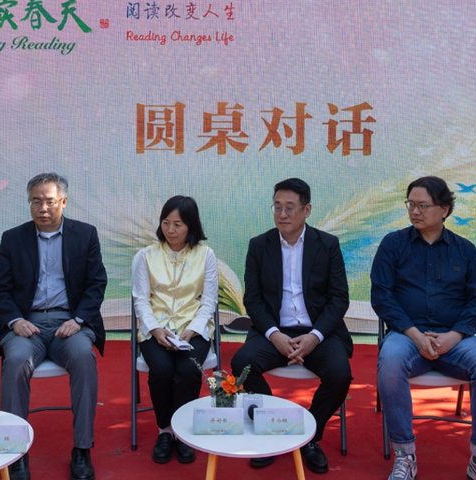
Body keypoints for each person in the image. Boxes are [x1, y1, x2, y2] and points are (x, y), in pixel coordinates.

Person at [372, 176, 476, 480]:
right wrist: (414, 334)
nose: (415, 211)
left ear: (444, 209)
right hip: (407, 336)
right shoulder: (393, 245)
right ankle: (405, 455)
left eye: (423, 205)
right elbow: (382, 295)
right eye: (411, 205)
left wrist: (454, 335)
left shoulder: (465, 250)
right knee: (390, 362)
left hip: (453, 338)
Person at [0, 172, 107, 480]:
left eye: (49, 201)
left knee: (83, 358)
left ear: (63, 202)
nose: (42, 208)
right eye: (36, 202)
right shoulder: (13, 239)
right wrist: (15, 321)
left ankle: (82, 449)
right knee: (14, 361)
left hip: (71, 323)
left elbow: (96, 284)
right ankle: (16, 451)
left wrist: (78, 320)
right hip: (28, 325)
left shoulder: (85, 234)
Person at [229, 177, 352, 475]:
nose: (282, 214)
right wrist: (274, 335)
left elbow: (339, 298)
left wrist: (315, 336)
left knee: (340, 374)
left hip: (319, 332)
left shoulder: (328, 245)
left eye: (290, 208)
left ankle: (308, 436)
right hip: (274, 330)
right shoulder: (259, 245)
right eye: (277, 207)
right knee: (242, 363)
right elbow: (254, 300)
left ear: (307, 210)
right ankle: (270, 427)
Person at [131, 195, 218, 464]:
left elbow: (209, 301)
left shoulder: (206, 255)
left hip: (194, 328)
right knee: (161, 370)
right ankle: (165, 431)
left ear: (191, 226)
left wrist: (193, 329)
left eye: (178, 224)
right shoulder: (145, 255)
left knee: (188, 369)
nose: (170, 230)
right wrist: (155, 330)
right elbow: (140, 300)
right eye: (166, 223)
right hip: (154, 328)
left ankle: (182, 432)